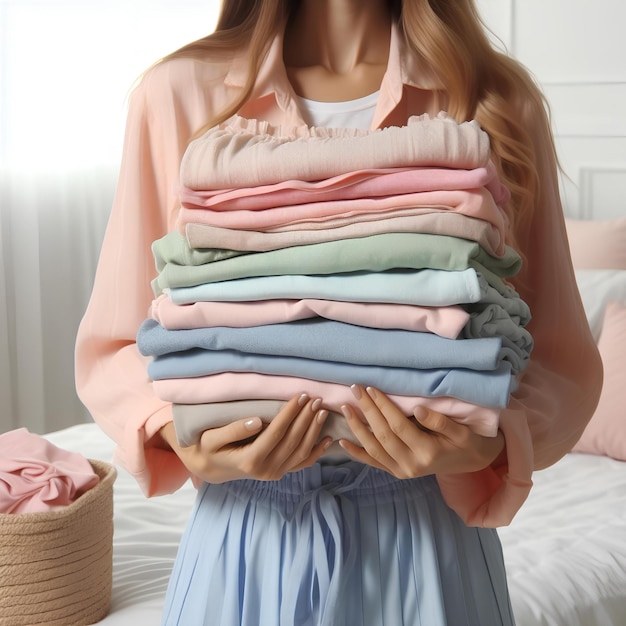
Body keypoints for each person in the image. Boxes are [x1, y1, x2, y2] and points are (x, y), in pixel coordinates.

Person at [75, 0, 603, 624]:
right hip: (243, 535)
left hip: (427, 539)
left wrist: (483, 444)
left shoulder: (491, 100)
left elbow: (561, 358)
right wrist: (181, 437)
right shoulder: (178, 94)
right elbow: (115, 343)